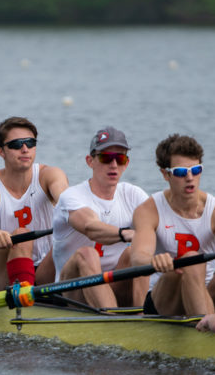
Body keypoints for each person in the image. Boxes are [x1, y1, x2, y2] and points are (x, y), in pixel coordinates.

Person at [131, 133, 215, 315]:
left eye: (196, 170)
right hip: (164, 300)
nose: (190, 178)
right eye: (181, 172)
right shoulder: (148, 210)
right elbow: (138, 257)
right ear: (165, 174)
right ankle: (206, 333)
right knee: (190, 259)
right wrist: (153, 260)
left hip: (206, 293)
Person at [52, 126, 149, 308]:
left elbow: (161, 223)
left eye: (119, 159)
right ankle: (112, 319)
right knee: (87, 254)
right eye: (106, 158)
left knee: (135, 252)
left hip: (115, 285)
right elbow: (90, 227)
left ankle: (142, 316)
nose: (113, 165)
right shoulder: (72, 196)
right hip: (72, 290)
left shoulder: (134, 195)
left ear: (126, 163)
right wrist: (126, 234)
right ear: (90, 161)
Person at [0, 116, 67, 290]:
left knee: (74, 246)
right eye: (16, 144)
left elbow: (66, 201)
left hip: (44, 268)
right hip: (1, 271)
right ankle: (25, 299)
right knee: (21, 235)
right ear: (1, 151)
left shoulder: (50, 175)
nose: (24, 149)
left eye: (30, 142)